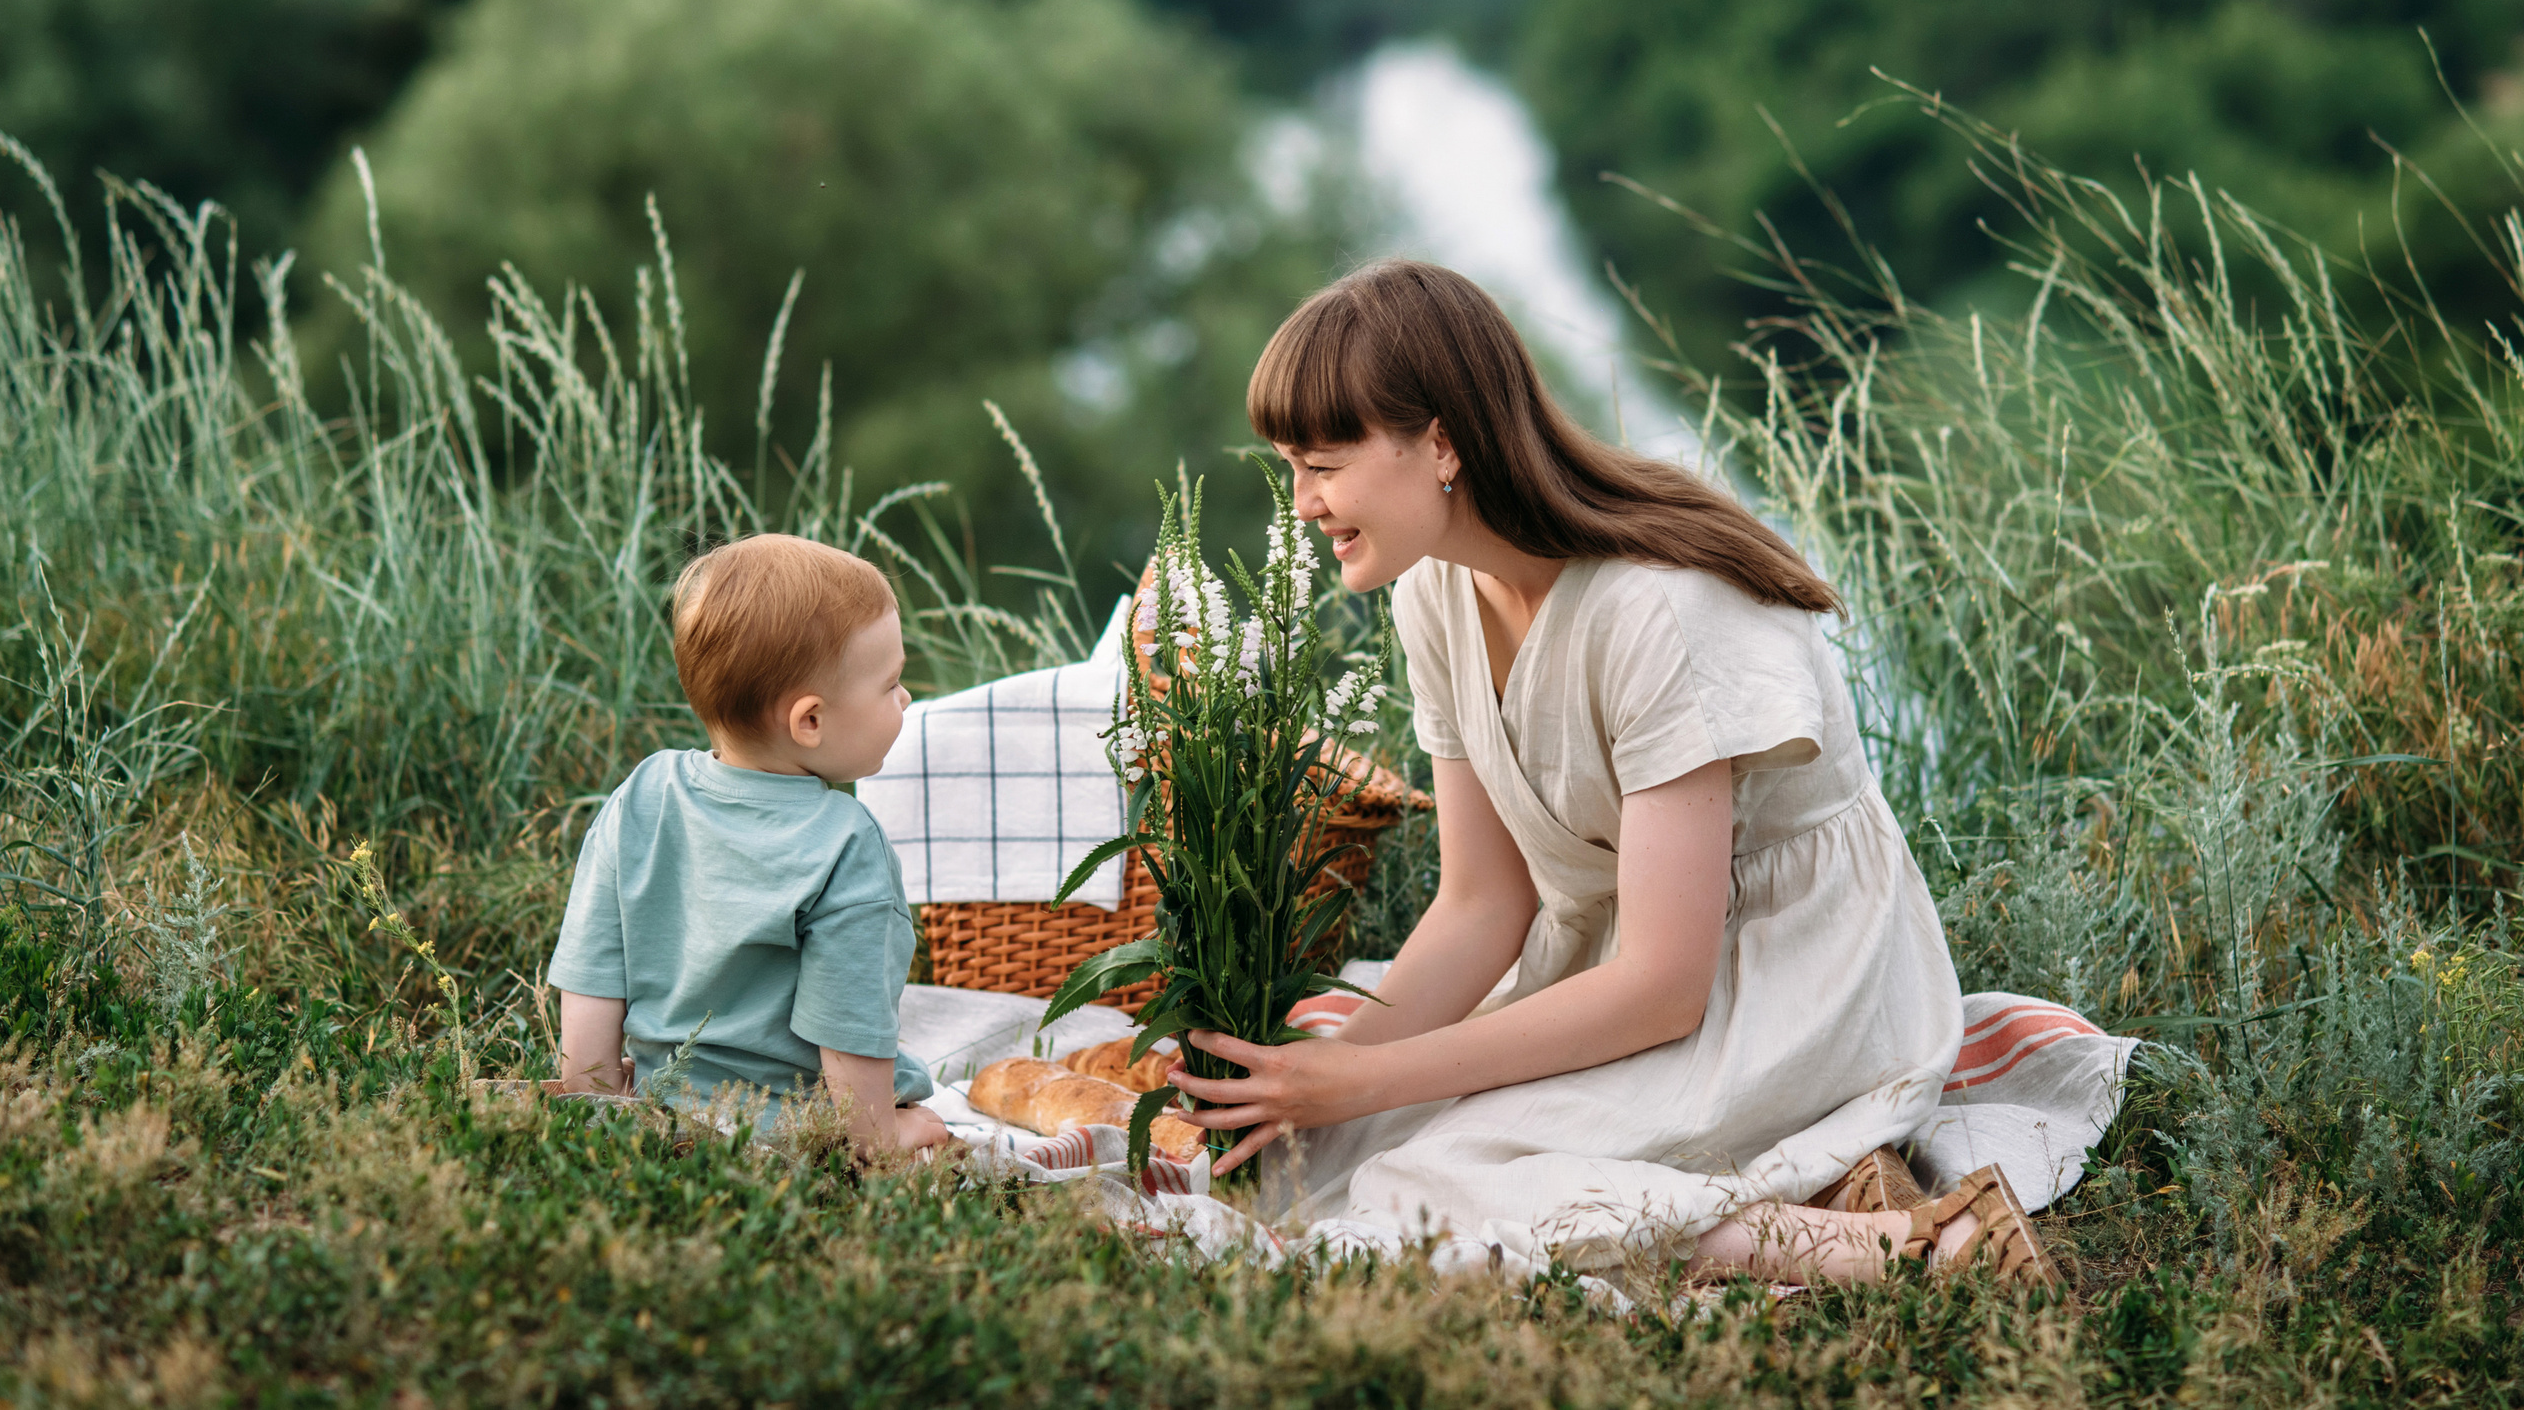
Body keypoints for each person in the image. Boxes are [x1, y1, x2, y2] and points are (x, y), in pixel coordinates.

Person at [1167, 260, 2056, 1289]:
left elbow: (1664, 990)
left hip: (1780, 974)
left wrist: (1363, 1076)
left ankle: (1912, 1246)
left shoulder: (1661, 610)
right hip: (1618, 959)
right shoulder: (1434, 597)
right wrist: (1307, 1090)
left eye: (1322, 462)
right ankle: (1819, 1190)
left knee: (1421, 1188)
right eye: (1289, 465)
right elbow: (1478, 906)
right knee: (1312, 1174)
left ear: (1443, 441)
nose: (1303, 502)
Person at [547, 534, 951, 1160]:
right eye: (891, 683)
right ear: (809, 721)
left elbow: (593, 972)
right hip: (796, 1139)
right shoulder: (846, 842)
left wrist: (594, 1101)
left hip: (662, 1116)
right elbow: (848, 1029)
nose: (904, 698)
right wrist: (881, 1136)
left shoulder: (644, 795)